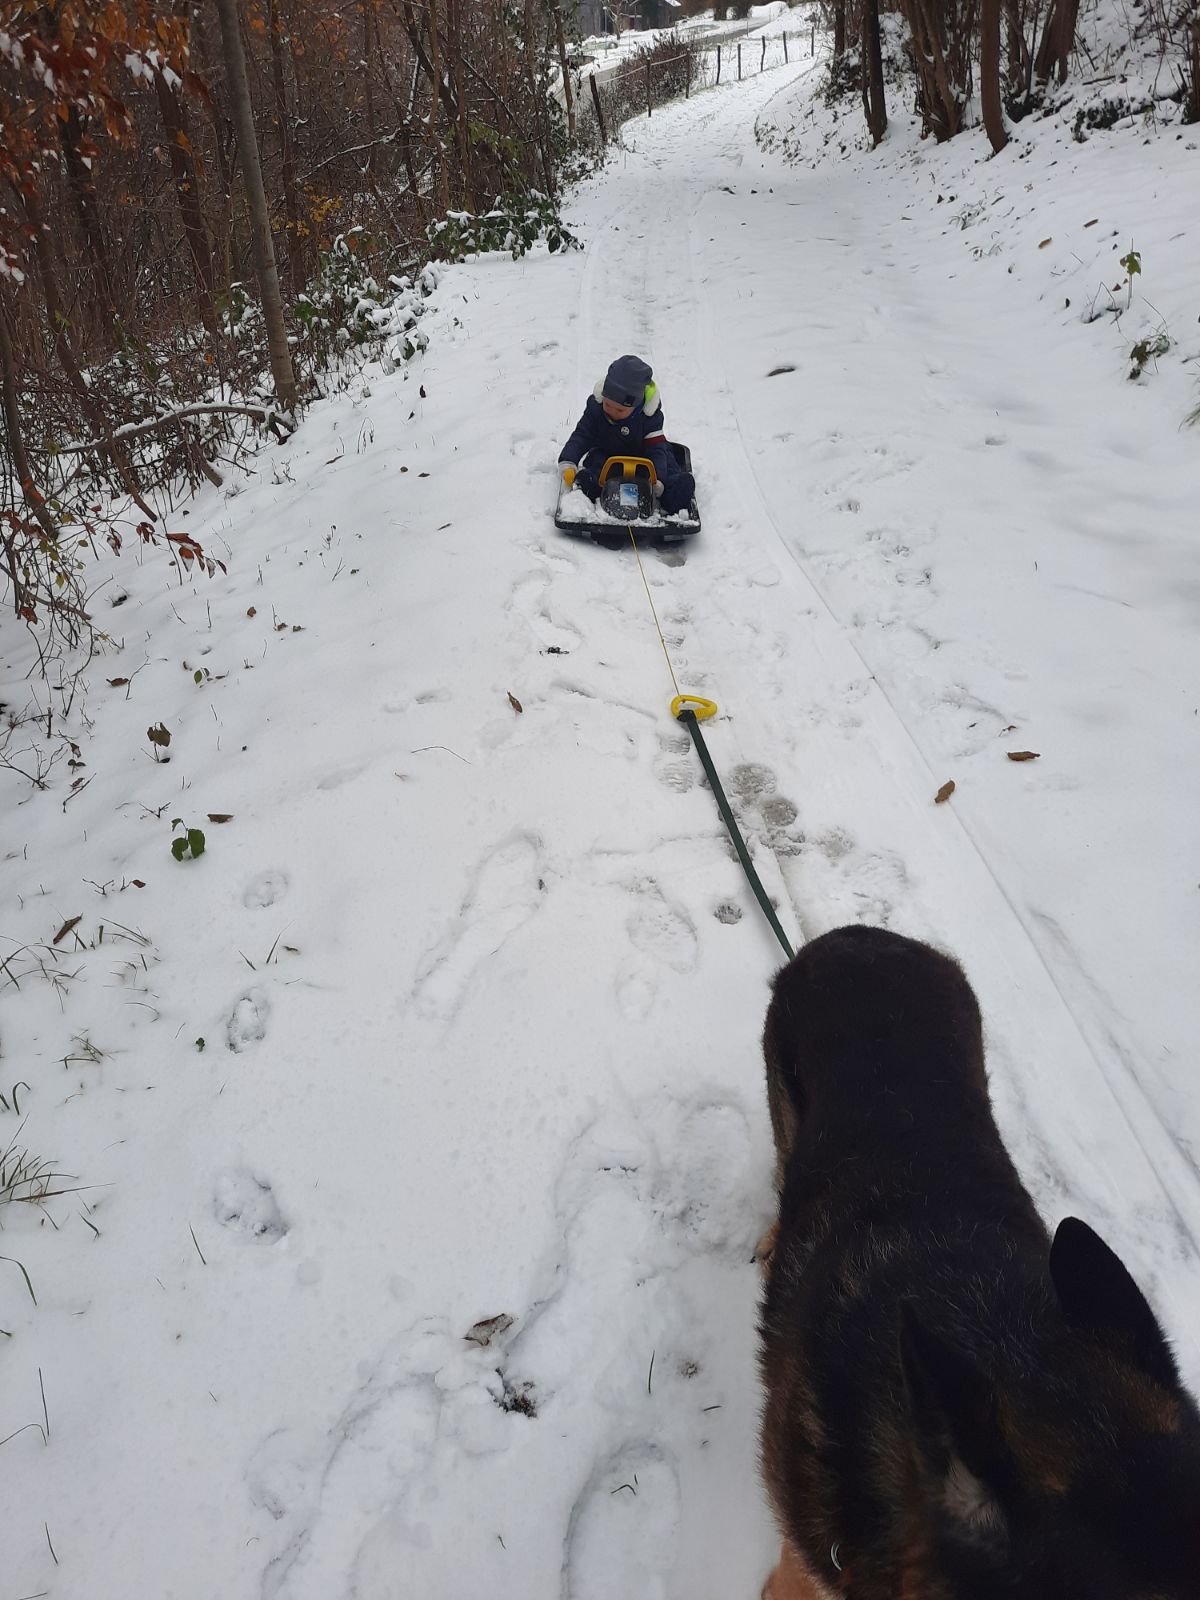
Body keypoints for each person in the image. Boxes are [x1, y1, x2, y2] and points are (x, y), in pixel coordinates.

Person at [558, 355, 695, 516]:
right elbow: (582, 434)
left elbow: (655, 449)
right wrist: (569, 459)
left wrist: (658, 479)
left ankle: (672, 494)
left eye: (620, 410)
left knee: (667, 460)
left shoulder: (649, 416)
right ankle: (589, 486)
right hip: (607, 452)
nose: (612, 412)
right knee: (596, 464)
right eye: (608, 405)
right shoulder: (596, 407)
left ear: (637, 405)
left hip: (645, 457)